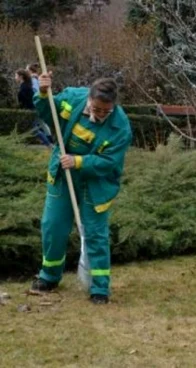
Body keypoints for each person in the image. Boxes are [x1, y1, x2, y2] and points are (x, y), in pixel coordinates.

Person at [29, 72, 133, 305]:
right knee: (52, 226)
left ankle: (99, 288)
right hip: (63, 176)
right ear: (89, 99)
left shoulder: (121, 127)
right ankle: (49, 276)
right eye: (96, 110)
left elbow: (110, 163)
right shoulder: (73, 98)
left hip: (95, 184)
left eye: (106, 111)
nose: (100, 115)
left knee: (95, 234)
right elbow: (49, 112)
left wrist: (79, 162)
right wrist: (44, 92)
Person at [16, 69, 53, 147]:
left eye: (16, 76)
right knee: (39, 125)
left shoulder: (25, 87)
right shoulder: (26, 85)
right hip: (32, 109)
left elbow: (28, 100)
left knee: (34, 128)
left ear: (21, 77)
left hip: (31, 110)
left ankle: (48, 144)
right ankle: (50, 141)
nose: (15, 77)